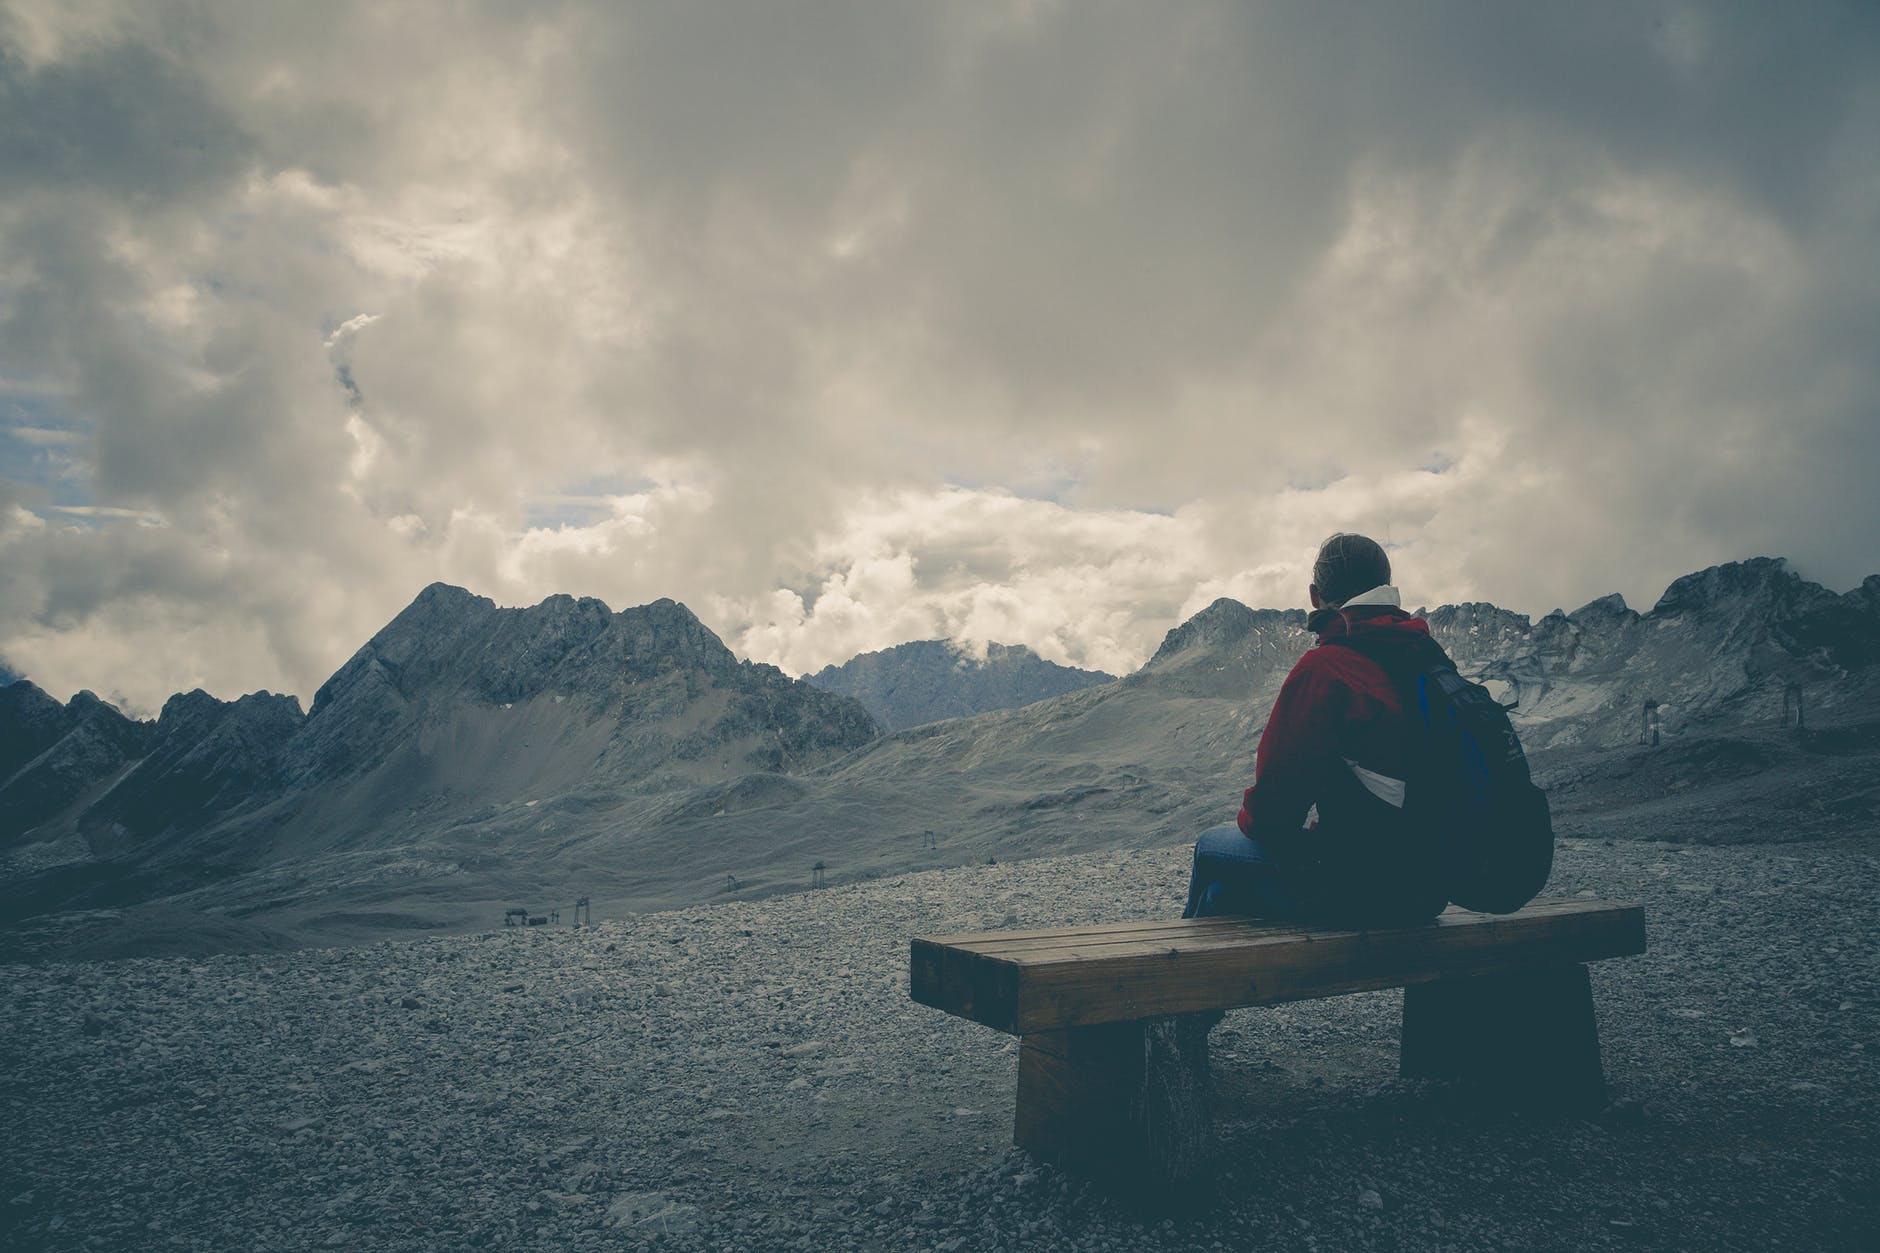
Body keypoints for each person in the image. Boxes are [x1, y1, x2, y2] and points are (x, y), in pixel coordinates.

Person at [1181, 532, 1448, 927]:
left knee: (1210, 847)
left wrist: (1272, 826)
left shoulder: (1327, 669)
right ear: (1387, 587)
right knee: (1222, 896)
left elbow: (1272, 813)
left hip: (1361, 886)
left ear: (1314, 595)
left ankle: (1183, 973)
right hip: (1431, 885)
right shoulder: (1424, 655)